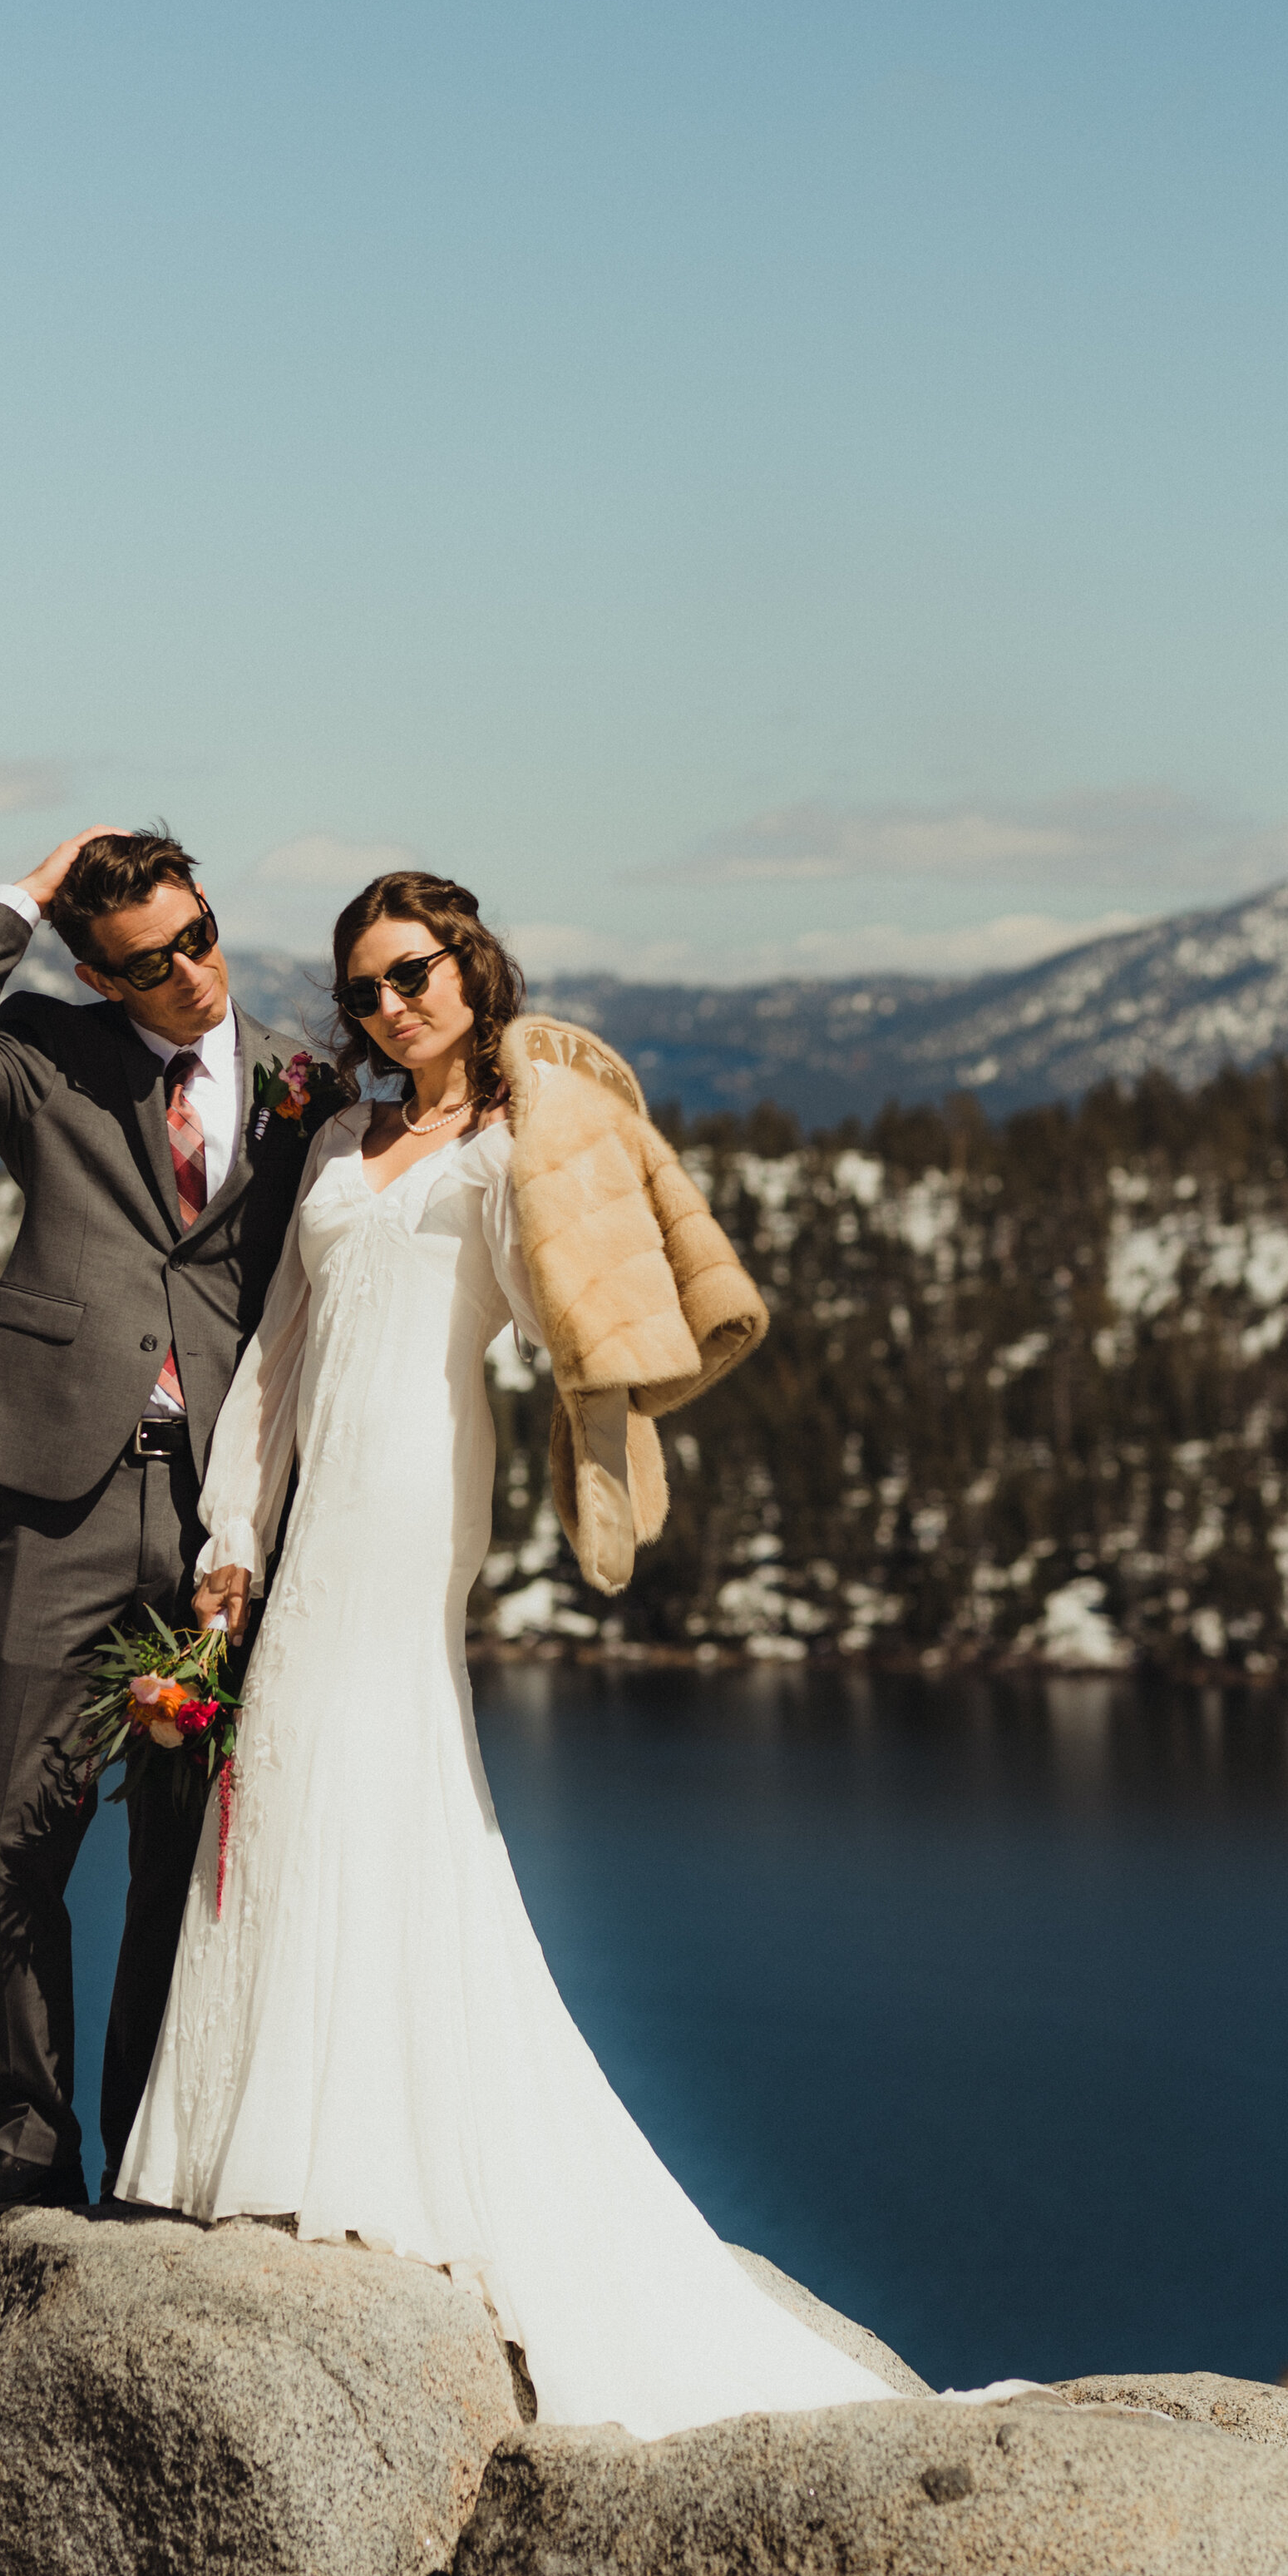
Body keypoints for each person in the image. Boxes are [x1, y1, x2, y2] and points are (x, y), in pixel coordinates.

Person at [112, 868, 903, 2435]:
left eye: (412, 975)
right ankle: (264, 2140)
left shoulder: (518, 1140)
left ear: (469, 970)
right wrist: (228, 1543)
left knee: (350, 1750)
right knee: (277, 1770)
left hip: (415, 1488)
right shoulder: (339, 1141)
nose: (389, 1007)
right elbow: (274, 1348)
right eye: (360, 991)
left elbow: (582, 1301)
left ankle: (329, 2150)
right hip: (315, 1477)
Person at [0, 825, 337, 2223]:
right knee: (6, 1817)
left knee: (182, 1846)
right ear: (99, 970)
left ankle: (147, 2152)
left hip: (221, 1514)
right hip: (65, 1493)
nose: (195, 972)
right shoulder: (48, 1055)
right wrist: (20, 891)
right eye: (152, 962)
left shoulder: (302, 1082)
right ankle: (29, 2139)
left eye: (202, 935)